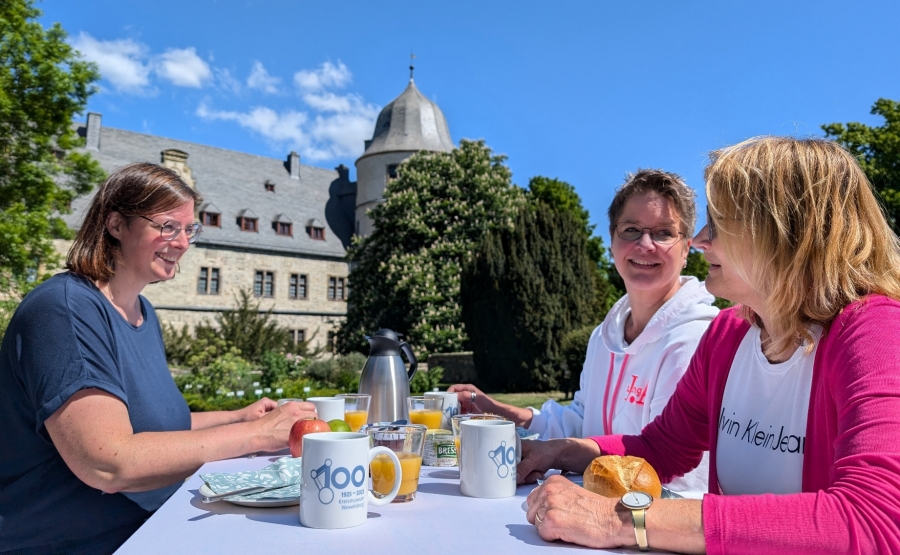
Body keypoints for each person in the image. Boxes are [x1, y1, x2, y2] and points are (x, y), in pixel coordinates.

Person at [519, 137, 900, 554]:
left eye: (719, 223)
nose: (700, 239)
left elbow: (875, 520)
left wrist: (626, 520)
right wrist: (557, 451)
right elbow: (661, 449)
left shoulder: (876, 332)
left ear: (785, 233)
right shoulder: (727, 334)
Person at [0, 163, 317, 554]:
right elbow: (109, 463)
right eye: (168, 227)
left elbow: (155, 423)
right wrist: (257, 435)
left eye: (189, 230)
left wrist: (239, 416)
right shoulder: (64, 310)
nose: (183, 243)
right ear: (116, 225)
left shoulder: (141, 312)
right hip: (74, 543)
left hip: (151, 525)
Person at [450, 169, 718, 494]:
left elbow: (670, 468)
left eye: (663, 233)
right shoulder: (604, 337)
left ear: (687, 247)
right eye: (631, 229)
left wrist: (560, 456)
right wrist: (504, 413)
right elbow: (582, 422)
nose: (645, 244)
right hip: (585, 511)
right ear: (612, 240)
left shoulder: (695, 339)